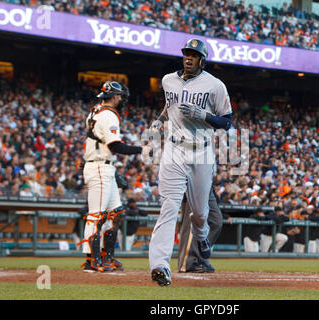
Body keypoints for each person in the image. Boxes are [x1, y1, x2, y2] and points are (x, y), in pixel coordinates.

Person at [148, 38, 233, 286]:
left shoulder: (215, 85)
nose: (189, 57)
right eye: (186, 53)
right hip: (173, 149)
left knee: (199, 212)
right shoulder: (167, 80)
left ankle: (202, 235)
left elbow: (227, 122)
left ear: (202, 60)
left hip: (202, 152)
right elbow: (169, 106)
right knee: (169, 208)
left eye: (194, 55)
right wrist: (159, 121)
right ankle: (160, 265)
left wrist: (204, 115)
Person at [79, 81, 150, 272]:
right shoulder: (109, 115)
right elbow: (116, 147)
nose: (122, 100)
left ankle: (106, 257)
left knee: (116, 213)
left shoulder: (96, 110)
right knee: (96, 215)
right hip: (99, 168)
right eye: (121, 96)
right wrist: (141, 149)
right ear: (116, 96)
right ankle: (91, 260)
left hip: (103, 166)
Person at [178, 186, 223, 273]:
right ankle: (188, 262)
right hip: (192, 184)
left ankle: (200, 258)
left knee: (216, 221)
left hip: (207, 184)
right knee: (193, 220)